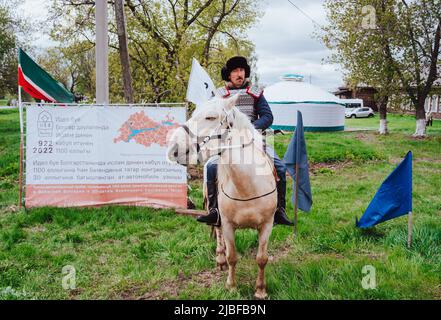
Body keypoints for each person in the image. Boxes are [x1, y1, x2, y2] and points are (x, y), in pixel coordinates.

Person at [196, 56, 294, 227]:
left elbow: (268, 116)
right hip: (226, 142)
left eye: (241, 70)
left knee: (279, 166)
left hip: (253, 139)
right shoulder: (219, 95)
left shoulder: (255, 93)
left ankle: (279, 210)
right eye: (235, 71)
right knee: (210, 167)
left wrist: (250, 128)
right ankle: (214, 211)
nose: (239, 74)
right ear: (229, 75)